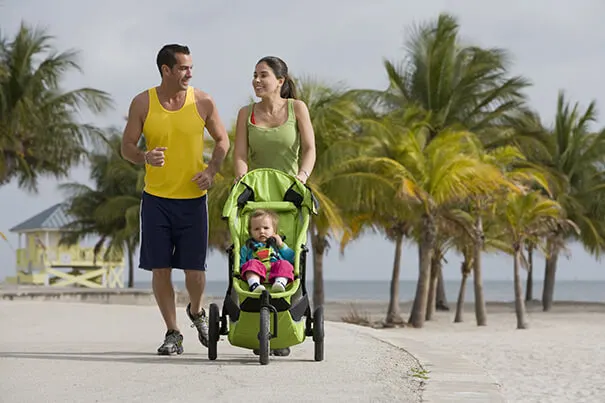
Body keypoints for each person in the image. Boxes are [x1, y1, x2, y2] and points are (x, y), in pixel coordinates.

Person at [121, 44, 230, 355]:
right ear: (166, 70)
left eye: (191, 67)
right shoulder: (143, 102)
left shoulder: (203, 101)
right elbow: (126, 146)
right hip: (156, 199)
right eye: (183, 67)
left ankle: (196, 312)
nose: (189, 73)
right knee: (160, 268)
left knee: (195, 272)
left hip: (193, 200)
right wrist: (143, 156)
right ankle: (173, 332)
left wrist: (211, 170)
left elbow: (222, 140)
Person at [233, 56, 316, 356]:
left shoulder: (297, 109)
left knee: (290, 254)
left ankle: (285, 319)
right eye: (254, 75)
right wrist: (241, 180)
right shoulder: (246, 113)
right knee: (246, 252)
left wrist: (302, 179)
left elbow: (309, 149)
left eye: (263, 75)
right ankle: (251, 315)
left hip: (290, 195)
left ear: (280, 81)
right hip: (257, 196)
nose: (256, 80)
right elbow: (240, 155)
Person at [240, 209, 295, 293]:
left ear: (274, 231)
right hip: (257, 272)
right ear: (250, 232)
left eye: (266, 228)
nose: (261, 231)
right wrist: (244, 268)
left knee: (285, 264)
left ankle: (280, 283)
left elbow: (292, 258)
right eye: (256, 229)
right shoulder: (247, 247)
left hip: (275, 271)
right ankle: (254, 285)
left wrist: (281, 245)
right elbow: (242, 262)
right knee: (250, 264)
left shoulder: (277, 244)